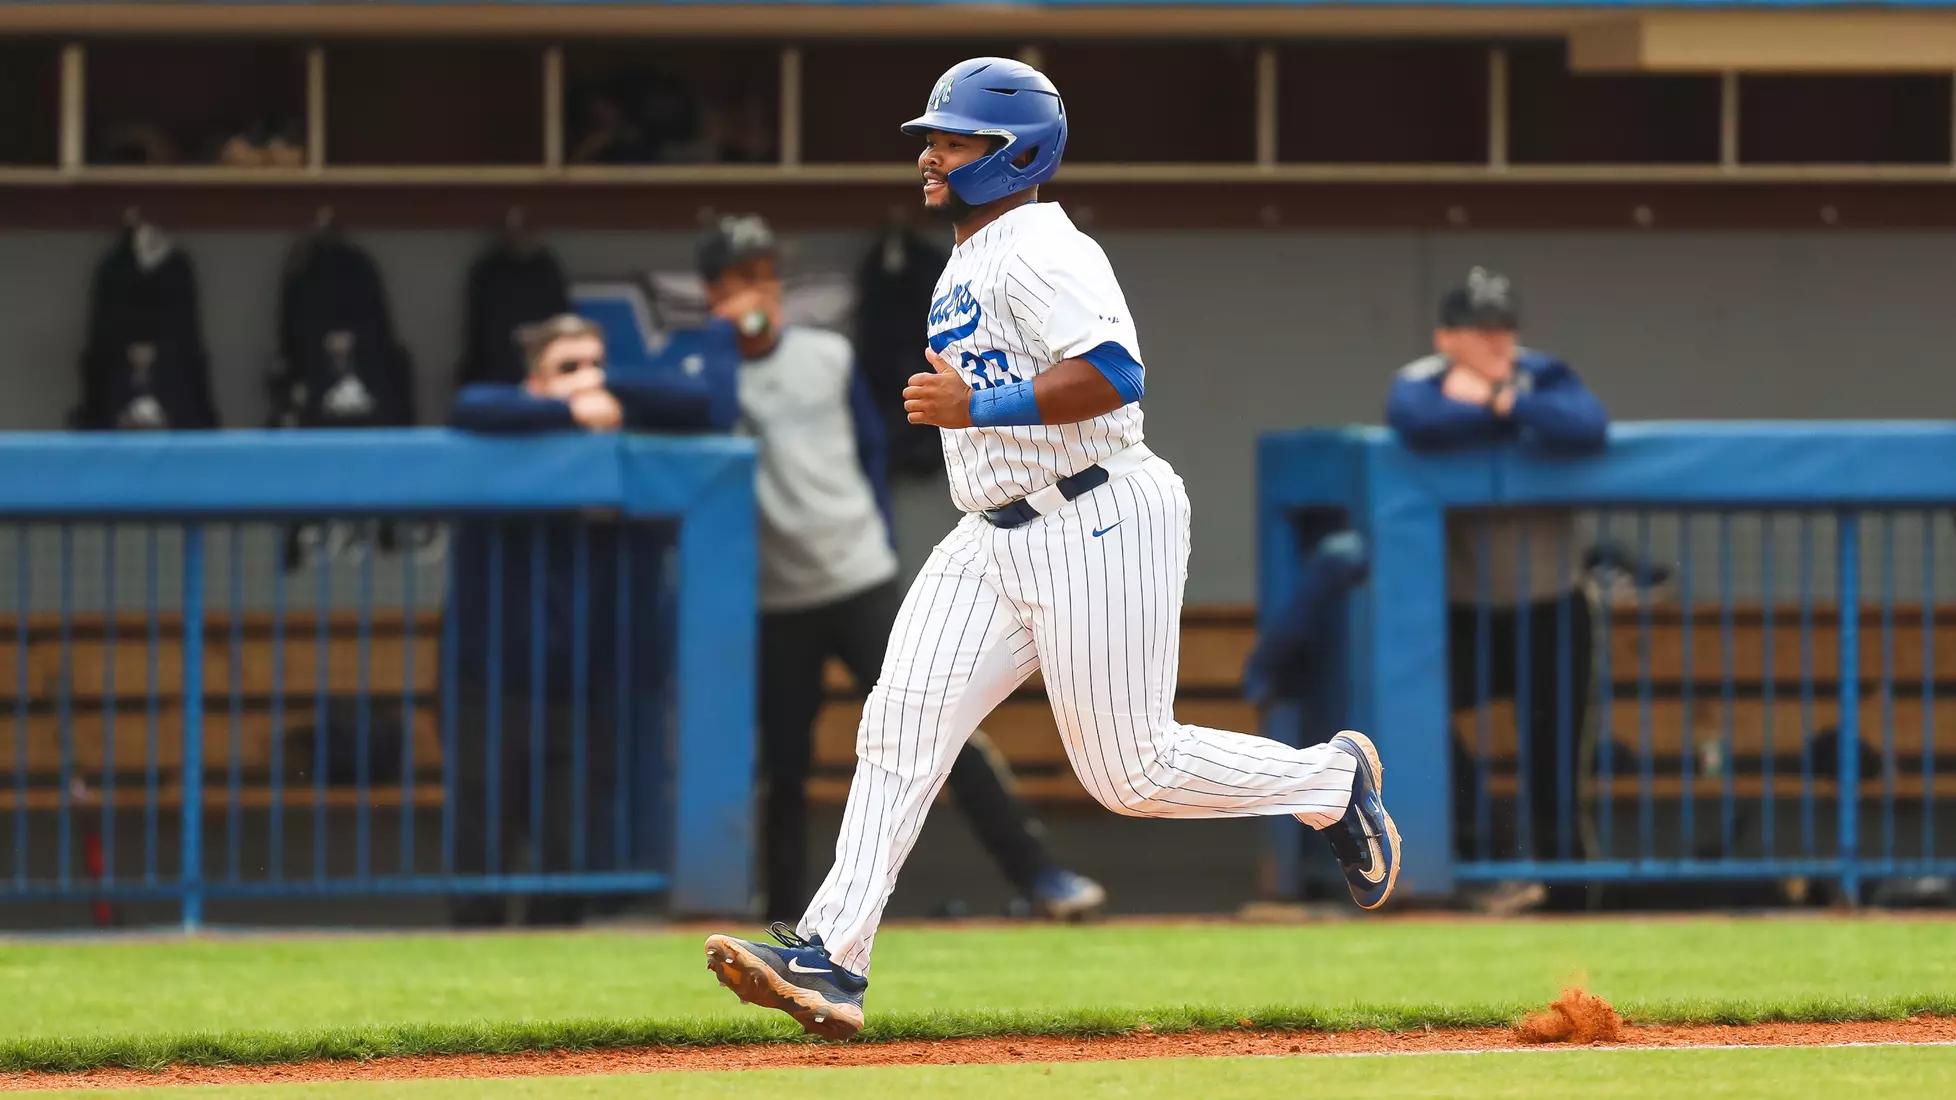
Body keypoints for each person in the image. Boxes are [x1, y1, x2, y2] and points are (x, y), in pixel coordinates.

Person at [703, 57, 1401, 1041]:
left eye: (952, 141)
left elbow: (1117, 372)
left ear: (1013, 151)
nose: (930, 157)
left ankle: (1331, 783)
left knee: (1129, 772)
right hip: (990, 533)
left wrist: (975, 404)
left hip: (1095, 512)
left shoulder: (1042, 246)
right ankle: (832, 955)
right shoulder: (969, 257)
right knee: (898, 725)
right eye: (932, 139)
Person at [682, 213, 1107, 926]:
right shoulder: (700, 371)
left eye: (763, 275)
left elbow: (873, 452)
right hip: (776, 597)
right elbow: (713, 402)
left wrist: (877, 538)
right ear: (713, 290)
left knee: (945, 723)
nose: (756, 290)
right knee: (782, 765)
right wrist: (725, 337)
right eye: (737, 279)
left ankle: (1042, 877)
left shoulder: (826, 354)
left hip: (858, 577)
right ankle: (788, 923)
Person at [445, 313, 713, 926]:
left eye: (597, 365)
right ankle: (464, 974)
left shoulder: (621, 425)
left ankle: (545, 979)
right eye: (568, 368)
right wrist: (568, 410)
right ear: (535, 384)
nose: (588, 380)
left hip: (586, 685)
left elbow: (703, 401)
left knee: (568, 850)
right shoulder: (511, 429)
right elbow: (469, 405)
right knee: (481, 840)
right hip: (490, 681)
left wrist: (606, 388)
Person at [1385, 268, 1608, 912]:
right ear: (1446, 335)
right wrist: (1501, 414)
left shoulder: (1543, 372)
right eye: (1480, 330)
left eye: (1504, 327)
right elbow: (1414, 419)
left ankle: (1571, 896)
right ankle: (1487, 862)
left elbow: (1585, 425)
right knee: (1418, 721)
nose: (1496, 341)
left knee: (1555, 760)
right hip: (1467, 614)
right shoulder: (1422, 378)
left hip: (1552, 606)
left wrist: (1500, 400)